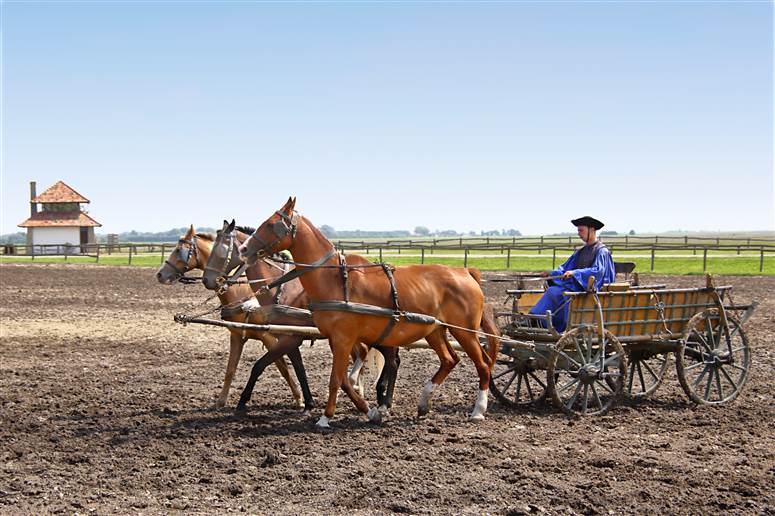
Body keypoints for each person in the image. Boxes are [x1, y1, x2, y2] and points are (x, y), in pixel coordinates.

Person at [529, 216, 615, 332]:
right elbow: (565, 268)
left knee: (554, 292)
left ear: (592, 229)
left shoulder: (602, 251)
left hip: (591, 290)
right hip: (578, 287)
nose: (579, 234)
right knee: (554, 291)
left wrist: (575, 273)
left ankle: (542, 321)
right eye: (578, 231)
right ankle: (538, 320)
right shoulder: (581, 252)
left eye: (581, 230)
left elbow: (598, 271)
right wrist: (551, 273)